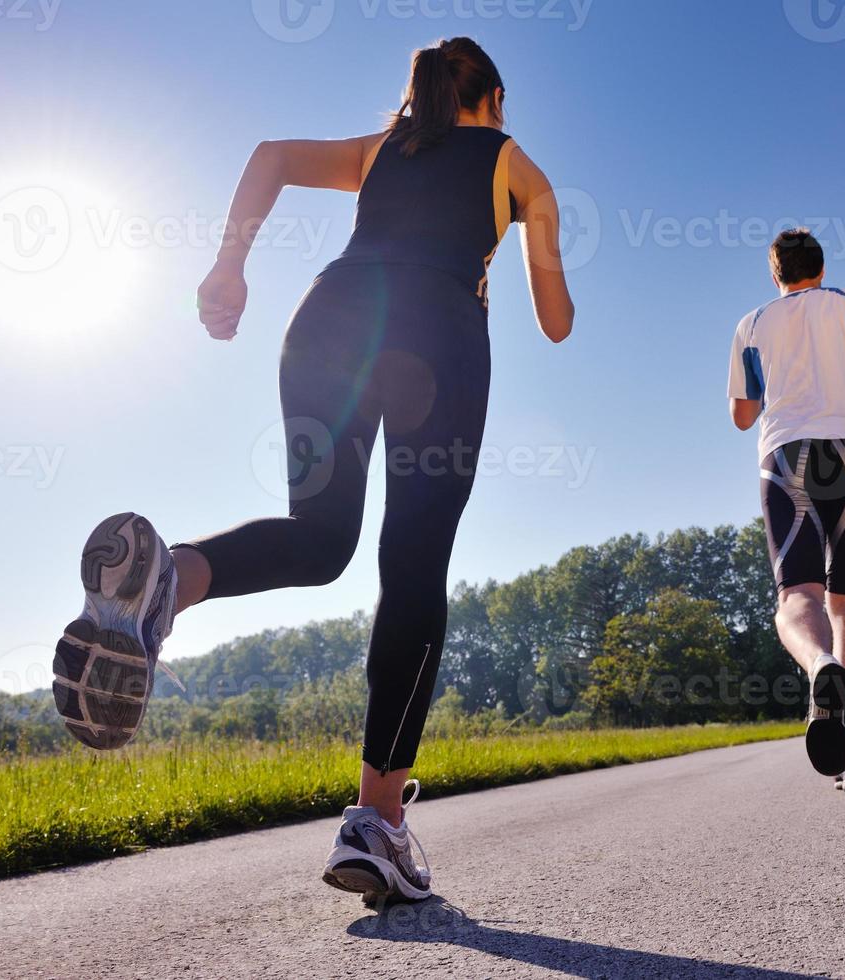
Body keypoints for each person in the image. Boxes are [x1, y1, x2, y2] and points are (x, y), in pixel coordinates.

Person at [49, 37, 575, 904]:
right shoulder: (516, 165)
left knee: (319, 535)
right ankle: (377, 822)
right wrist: (528, 229)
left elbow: (270, 158)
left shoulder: (379, 152)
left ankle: (171, 579)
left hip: (328, 317)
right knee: (412, 565)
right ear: (497, 97)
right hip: (437, 338)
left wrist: (228, 266)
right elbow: (555, 321)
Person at [726, 229, 845, 792]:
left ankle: (817, 668)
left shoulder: (753, 323)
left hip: (787, 459)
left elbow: (741, 414)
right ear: (821, 266)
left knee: (798, 597)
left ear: (775, 273)